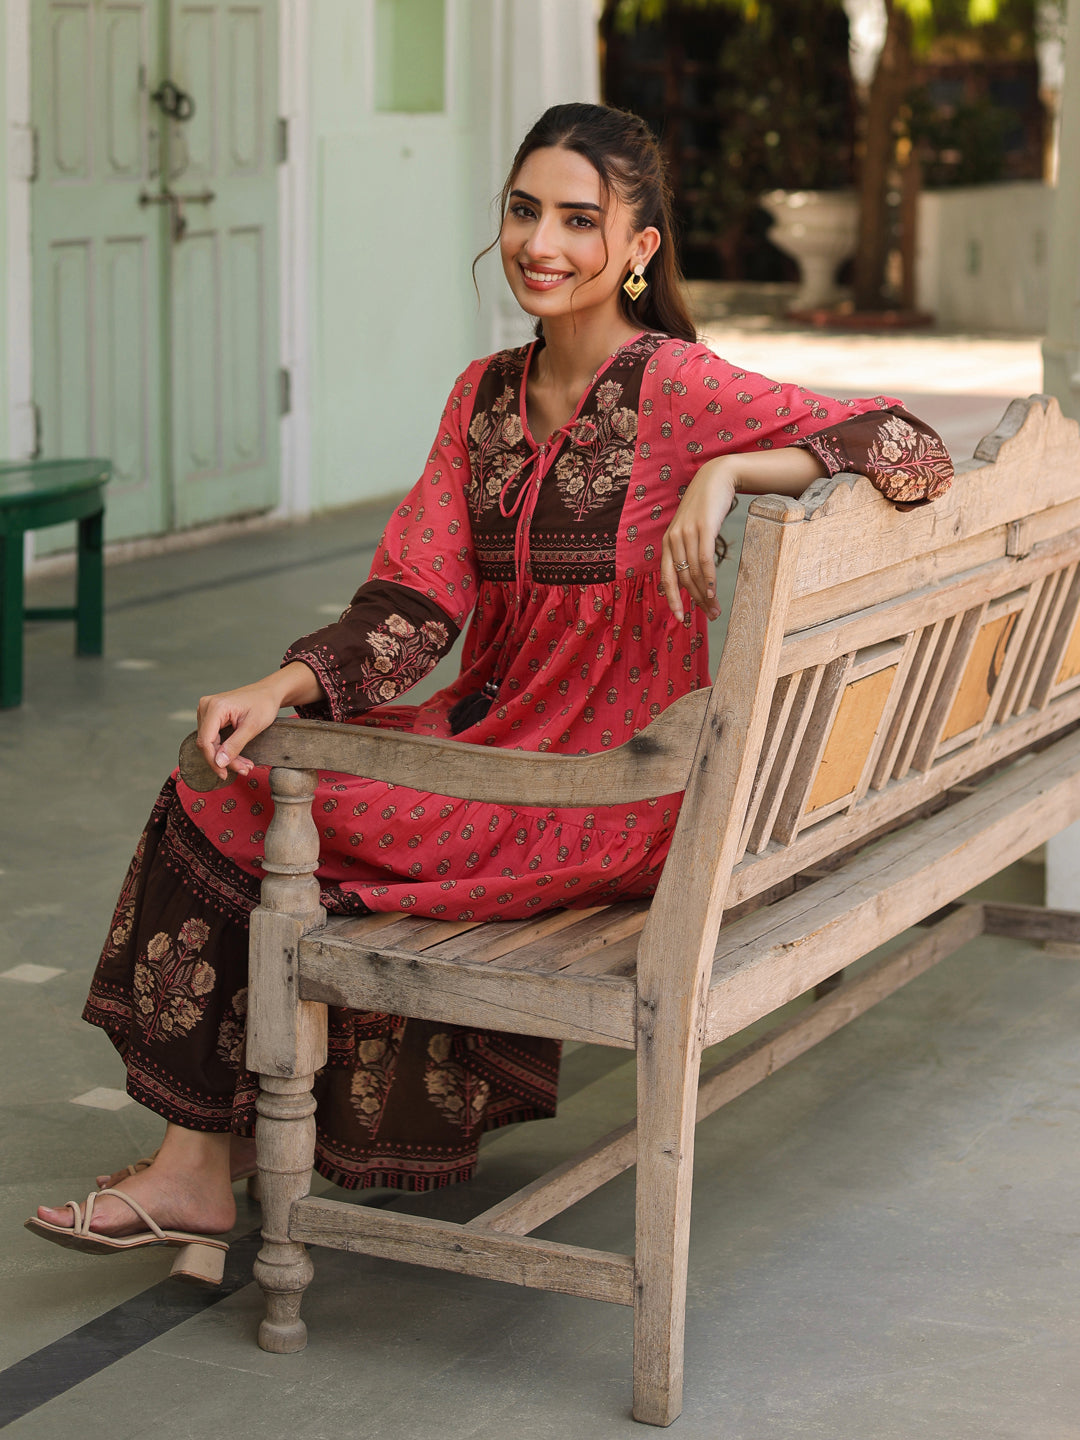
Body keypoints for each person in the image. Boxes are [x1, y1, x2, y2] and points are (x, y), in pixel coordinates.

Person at [28, 102, 952, 1274]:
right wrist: (281, 687)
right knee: (227, 776)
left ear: (640, 247)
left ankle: (199, 1168)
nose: (541, 244)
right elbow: (412, 608)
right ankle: (207, 1154)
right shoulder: (481, 397)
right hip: (495, 748)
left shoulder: (677, 387)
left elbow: (912, 449)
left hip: (613, 791)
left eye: (579, 220)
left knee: (271, 816)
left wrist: (728, 472)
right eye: (524, 211)